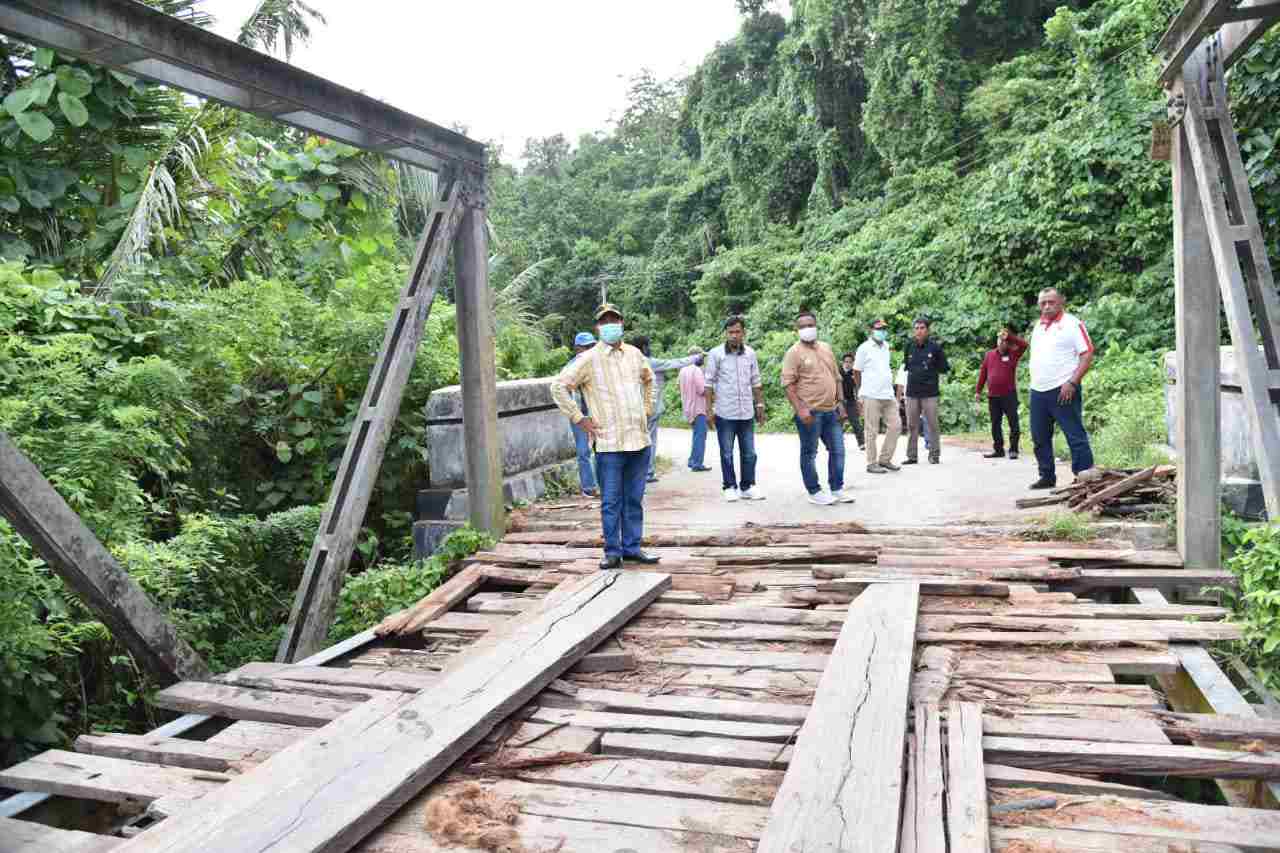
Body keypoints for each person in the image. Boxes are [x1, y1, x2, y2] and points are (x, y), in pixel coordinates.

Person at [550, 304, 660, 569]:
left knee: (634, 499)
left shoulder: (634, 354)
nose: (610, 324)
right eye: (604, 321)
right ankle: (613, 551)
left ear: (622, 323)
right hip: (609, 443)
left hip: (639, 440)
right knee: (611, 501)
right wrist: (579, 418)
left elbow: (649, 379)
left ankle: (632, 547)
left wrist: (646, 410)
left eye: (614, 319)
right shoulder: (588, 359)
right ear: (598, 327)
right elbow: (558, 387)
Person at [1027, 287, 1102, 490]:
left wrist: (1072, 382)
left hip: (1063, 388)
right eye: (1043, 303)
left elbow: (1087, 354)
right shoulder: (1039, 326)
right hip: (1038, 391)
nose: (1047, 306)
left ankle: (1084, 476)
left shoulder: (1072, 324)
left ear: (1061, 302)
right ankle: (1046, 476)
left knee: (1074, 434)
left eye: (1051, 302)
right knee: (1039, 437)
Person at [782, 310, 853, 505]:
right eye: (802, 326)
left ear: (816, 325)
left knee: (838, 450)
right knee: (809, 453)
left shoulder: (826, 348)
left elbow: (837, 377)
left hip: (831, 410)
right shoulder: (793, 353)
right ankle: (814, 491)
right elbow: (788, 384)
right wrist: (800, 409)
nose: (807, 329)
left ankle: (837, 488)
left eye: (810, 325)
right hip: (810, 412)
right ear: (796, 330)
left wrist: (840, 402)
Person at [704, 315, 766, 502]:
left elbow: (756, 381)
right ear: (726, 333)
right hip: (725, 412)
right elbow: (708, 383)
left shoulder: (750, 354)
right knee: (727, 452)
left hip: (746, 411)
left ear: (743, 333)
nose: (734, 335)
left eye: (737, 332)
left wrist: (760, 405)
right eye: (730, 332)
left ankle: (748, 486)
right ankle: (729, 486)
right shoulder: (716, 354)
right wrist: (708, 410)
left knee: (749, 453)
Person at [631, 335, 701, 484]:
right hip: (651, 409)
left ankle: (638, 473)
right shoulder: (649, 362)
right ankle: (648, 472)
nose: (650, 348)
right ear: (643, 347)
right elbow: (674, 363)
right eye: (648, 345)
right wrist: (695, 358)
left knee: (637, 442)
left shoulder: (629, 362)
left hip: (635, 409)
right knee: (650, 441)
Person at [852, 319, 901, 474]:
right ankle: (871, 463)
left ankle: (885, 459)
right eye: (879, 328)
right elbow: (856, 371)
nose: (882, 331)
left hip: (888, 394)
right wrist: (860, 392)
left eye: (884, 328)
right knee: (871, 430)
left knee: (896, 425)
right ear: (871, 330)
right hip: (870, 395)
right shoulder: (864, 348)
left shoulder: (886, 346)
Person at [976, 327, 1028, 460]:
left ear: (1008, 343)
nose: (1002, 343)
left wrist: (1009, 336)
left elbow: (1024, 345)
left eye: (1004, 341)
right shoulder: (989, 355)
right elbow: (983, 373)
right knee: (995, 424)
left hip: (1009, 395)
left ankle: (1013, 450)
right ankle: (998, 450)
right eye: (1000, 340)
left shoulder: (1013, 354)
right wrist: (978, 390)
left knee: (1013, 423)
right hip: (993, 396)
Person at [902, 317, 949, 465]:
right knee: (911, 425)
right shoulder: (909, 346)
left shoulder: (935, 348)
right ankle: (912, 456)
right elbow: (907, 367)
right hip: (912, 393)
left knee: (933, 424)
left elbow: (944, 368)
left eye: (922, 328)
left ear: (928, 330)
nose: (919, 331)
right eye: (916, 328)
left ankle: (934, 455)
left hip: (930, 393)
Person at [566, 332, 600, 497]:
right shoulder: (571, 366)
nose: (589, 350)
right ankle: (589, 487)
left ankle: (602, 485)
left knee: (602, 450)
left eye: (591, 346)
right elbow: (561, 388)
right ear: (577, 348)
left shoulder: (599, 364)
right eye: (585, 347)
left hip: (597, 413)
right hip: (580, 415)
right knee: (583, 452)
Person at [677, 347, 712, 472]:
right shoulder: (696, 371)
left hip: (688, 407)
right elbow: (702, 390)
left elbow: (679, 387)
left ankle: (693, 460)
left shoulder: (682, 370)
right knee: (700, 436)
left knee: (696, 435)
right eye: (702, 357)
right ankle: (697, 463)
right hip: (698, 408)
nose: (703, 360)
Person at [839, 352, 865, 451]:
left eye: (850, 362)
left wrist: (860, 402)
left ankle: (861, 443)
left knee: (856, 423)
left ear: (853, 363)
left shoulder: (855, 374)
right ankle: (837, 444)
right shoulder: (837, 372)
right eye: (846, 362)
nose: (847, 364)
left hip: (851, 402)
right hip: (839, 402)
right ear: (842, 362)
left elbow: (858, 388)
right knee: (838, 424)